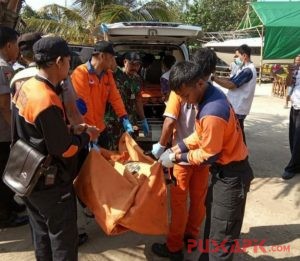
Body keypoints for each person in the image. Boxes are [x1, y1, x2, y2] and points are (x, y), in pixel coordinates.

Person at [12, 36, 99, 260]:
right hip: (50, 182)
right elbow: (65, 150)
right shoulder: (46, 98)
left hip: (27, 174)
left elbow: (35, 131)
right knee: (63, 240)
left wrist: (71, 129)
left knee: (41, 234)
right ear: (59, 61)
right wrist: (85, 137)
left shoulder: (26, 86)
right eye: (69, 62)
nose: (70, 68)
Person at [158, 58, 254, 261]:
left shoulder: (212, 111)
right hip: (223, 173)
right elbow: (198, 136)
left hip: (232, 176)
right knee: (213, 224)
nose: (184, 101)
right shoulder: (207, 97)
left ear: (199, 83)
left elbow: (208, 155)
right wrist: (177, 147)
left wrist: (176, 157)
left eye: (185, 95)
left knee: (222, 237)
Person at [151, 49, 214, 261]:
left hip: (180, 155)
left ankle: (175, 247)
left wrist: (160, 147)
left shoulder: (180, 87)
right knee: (198, 200)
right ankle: (191, 237)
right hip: (203, 155)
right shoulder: (209, 91)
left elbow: (169, 122)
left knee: (179, 201)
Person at [71, 40, 134, 149]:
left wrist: (124, 117)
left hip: (100, 128)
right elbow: (84, 106)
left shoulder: (107, 75)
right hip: (84, 130)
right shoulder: (81, 73)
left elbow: (115, 97)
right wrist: (90, 132)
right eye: (111, 58)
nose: (113, 62)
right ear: (102, 56)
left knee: (105, 161)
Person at [0, 26, 29, 228]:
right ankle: (4, 215)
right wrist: (16, 134)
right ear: (9, 45)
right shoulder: (3, 67)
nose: (18, 50)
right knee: (3, 171)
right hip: (3, 131)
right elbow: (4, 105)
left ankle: (9, 204)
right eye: (17, 45)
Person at [212, 44, 257, 143]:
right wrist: (216, 77)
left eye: (237, 56)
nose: (236, 59)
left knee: (238, 133)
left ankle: (243, 156)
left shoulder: (248, 71)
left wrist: (213, 78)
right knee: (236, 132)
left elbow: (231, 85)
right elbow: (230, 80)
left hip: (239, 107)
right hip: (236, 105)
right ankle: (241, 155)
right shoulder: (242, 68)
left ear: (244, 56)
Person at [105, 52, 149, 149]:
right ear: (125, 62)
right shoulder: (116, 74)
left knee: (130, 148)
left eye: (138, 65)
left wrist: (143, 119)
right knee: (114, 149)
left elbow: (138, 100)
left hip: (131, 120)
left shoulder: (138, 79)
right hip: (115, 120)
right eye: (132, 64)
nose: (135, 67)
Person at [282, 54, 300, 180]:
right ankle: (297, 163)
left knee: (298, 139)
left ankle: (292, 167)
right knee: (293, 136)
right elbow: (288, 84)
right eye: (297, 60)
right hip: (295, 105)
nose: (298, 62)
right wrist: (289, 72)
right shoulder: (296, 71)